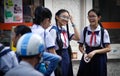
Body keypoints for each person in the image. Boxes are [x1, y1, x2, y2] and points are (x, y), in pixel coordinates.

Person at [77, 8, 111, 76]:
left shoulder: (103, 31)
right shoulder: (85, 30)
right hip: (87, 57)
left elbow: (108, 48)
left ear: (99, 17)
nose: (91, 18)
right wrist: (84, 53)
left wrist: (94, 52)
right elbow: (80, 46)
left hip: (99, 58)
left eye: (93, 16)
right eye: (89, 16)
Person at [48, 9, 80, 76]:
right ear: (57, 17)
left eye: (67, 17)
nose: (66, 19)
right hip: (58, 55)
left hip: (66, 55)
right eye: (63, 17)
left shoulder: (64, 30)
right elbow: (51, 48)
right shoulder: (53, 30)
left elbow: (77, 38)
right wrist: (57, 59)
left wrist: (73, 23)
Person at [31, 6, 61, 76]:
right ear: (47, 20)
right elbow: (52, 53)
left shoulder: (29, 30)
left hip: (31, 67)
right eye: (49, 20)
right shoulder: (45, 33)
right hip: (44, 68)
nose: (50, 23)